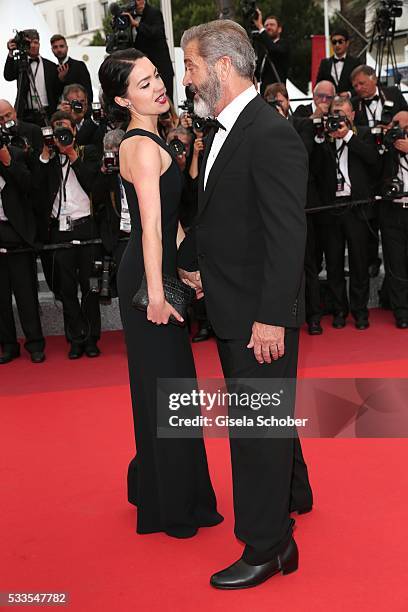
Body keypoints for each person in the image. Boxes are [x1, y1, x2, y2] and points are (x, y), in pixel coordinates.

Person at [179, 20, 313, 589]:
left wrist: (271, 317)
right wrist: (192, 259)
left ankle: (267, 545)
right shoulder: (228, 129)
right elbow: (225, 215)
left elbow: (287, 236)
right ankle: (293, 497)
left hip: (259, 314)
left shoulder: (267, 132)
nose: (185, 79)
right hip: (235, 303)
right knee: (266, 419)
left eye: (190, 67)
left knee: (255, 430)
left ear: (223, 67)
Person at [98, 49, 222, 538]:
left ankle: (163, 487)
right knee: (165, 391)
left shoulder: (153, 138)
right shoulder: (143, 146)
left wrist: (190, 270)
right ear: (121, 98)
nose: (157, 86)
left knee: (175, 391)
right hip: (146, 280)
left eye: (156, 76)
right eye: (143, 83)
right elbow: (150, 227)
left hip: (161, 271)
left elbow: (169, 226)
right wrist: (155, 293)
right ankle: (170, 504)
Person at [311, 96, 381, 330]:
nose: (338, 119)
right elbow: (316, 171)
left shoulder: (363, 134)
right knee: (333, 263)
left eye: (342, 114)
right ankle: (339, 309)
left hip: (357, 208)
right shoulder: (325, 139)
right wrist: (322, 139)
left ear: (352, 115)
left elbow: (374, 161)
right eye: (334, 114)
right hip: (332, 209)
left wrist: (348, 136)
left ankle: (360, 311)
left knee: (360, 262)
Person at [38, 111, 102, 359]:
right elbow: (36, 188)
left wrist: (73, 155)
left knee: (90, 287)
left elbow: (94, 186)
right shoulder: (48, 160)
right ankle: (75, 339)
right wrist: (46, 154)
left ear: (75, 131)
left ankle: (92, 339)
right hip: (59, 232)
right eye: (57, 131)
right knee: (66, 290)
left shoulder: (89, 153)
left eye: (66, 129)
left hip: (86, 227)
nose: (62, 135)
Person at [0, 142, 45, 364]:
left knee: (26, 295)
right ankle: (8, 345)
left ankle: (35, 343)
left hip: (17, 234)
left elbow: (30, 186)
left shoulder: (16, 154)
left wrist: (7, 163)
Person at [380, 111, 408, 329]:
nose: (397, 129)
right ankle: (401, 312)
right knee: (396, 264)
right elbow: (376, 169)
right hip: (393, 211)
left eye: (401, 126)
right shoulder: (388, 147)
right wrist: (387, 144)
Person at [4, 29, 61, 126]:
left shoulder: (51, 66)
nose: (33, 45)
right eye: (29, 42)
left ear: (39, 44)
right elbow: (8, 76)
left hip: (48, 113)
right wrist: (10, 53)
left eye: (36, 42)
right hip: (26, 114)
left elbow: (57, 90)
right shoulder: (20, 64)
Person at [124, 0, 175, 101]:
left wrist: (137, 24)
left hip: (160, 68)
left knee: (165, 101)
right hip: (141, 70)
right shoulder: (129, 16)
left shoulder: (154, 13)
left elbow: (156, 32)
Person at [252, 12, 289, 95]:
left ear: (280, 29)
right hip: (264, 93)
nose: (268, 27)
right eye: (266, 25)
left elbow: (273, 49)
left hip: (278, 93)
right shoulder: (263, 48)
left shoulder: (283, 44)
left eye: (272, 25)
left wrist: (261, 27)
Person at [50, 34, 93, 105]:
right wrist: (60, 80)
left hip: (80, 110)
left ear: (67, 48)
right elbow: (54, 94)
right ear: (52, 50)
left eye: (61, 46)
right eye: (55, 47)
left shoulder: (79, 65)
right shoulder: (53, 69)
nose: (59, 50)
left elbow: (88, 91)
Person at [316, 29, 360, 97]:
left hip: (351, 103)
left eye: (340, 41)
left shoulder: (355, 63)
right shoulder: (325, 63)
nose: (337, 45)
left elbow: (360, 85)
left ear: (347, 43)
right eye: (334, 42)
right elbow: (319, 85)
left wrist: (349, 94)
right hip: (330, 104)